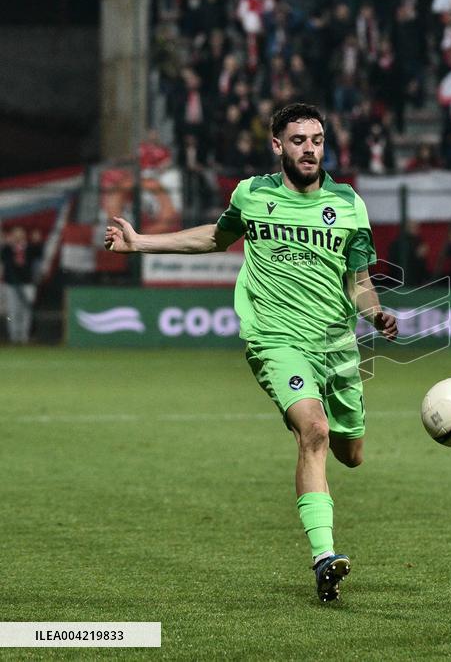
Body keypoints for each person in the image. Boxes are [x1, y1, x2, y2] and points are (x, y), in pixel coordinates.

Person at [105, 103, 398, 603]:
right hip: (276, 340)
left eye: (318, 139)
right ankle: (324, 557)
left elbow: (359, 281)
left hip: (337, 345)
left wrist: (374, 314)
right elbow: (215, 239)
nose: (310, 148)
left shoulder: (348, 204)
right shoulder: (253, 194)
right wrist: (140, 244)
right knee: (314, 429)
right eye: (300, 139)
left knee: (352, 453)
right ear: (277, 145)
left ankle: (327, 526)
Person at [1, 226, 43, 344]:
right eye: (16, 233)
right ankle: (14, 337)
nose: (18, 236)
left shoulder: (30, 248)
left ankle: (24, 337)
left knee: (26, 311)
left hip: (27, 284)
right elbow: (4, 258)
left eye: (20, 233)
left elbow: (40, 253)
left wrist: (37, 241)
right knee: (13, 310)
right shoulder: (8, 249)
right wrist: (7, 244)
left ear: (24, 235)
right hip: (11, 284)